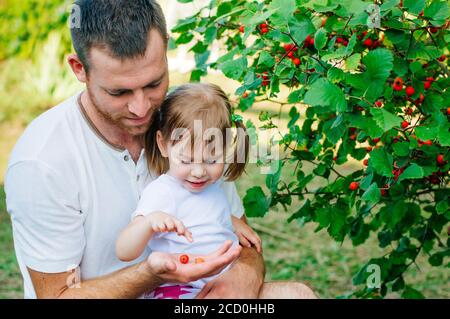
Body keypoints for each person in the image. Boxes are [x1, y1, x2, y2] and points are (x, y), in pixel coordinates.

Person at [5, 0, 317, 299]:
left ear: (165, 47)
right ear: (79, 68)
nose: (142, 109)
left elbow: (241, 240)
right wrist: (152, 274)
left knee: (297, 295)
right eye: (119, 91)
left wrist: (242, 277)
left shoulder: (188, 128)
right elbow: (58, 296)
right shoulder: (42, 162)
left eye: (154, 84)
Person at [116, 83, 262, 299]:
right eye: (186, 160)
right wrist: (148, 223)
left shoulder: (215, 185)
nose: (199, 172)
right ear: (163, 145)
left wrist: (230, 220)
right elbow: (124, 250)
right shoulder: (163, 192)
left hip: (222, 284)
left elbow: (202, 213)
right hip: (178, 289)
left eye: (212, 159)